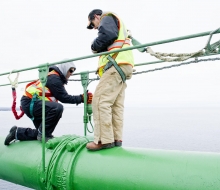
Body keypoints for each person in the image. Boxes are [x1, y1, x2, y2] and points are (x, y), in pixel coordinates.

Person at [4, 62, 92, 145]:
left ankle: (16, 132)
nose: (71, 73)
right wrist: (81, 98)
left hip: (31, 103)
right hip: (31, 102)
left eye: (73, 71)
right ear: (64, 69)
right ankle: (43, 135)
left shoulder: (53, 77)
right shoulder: (54, 78)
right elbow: (64, 97)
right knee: (57, 108)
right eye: (70, 70)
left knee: (41, 132)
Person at [86, 9, 134, 151]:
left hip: (115, 65)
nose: (95, 28)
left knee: (100, 101)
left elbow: (108, 35)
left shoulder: (106, 17)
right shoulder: (118, 23)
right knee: (115, 105)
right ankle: (115, 138)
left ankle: (103, 140)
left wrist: (94, 47)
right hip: (124, 66)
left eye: (93, 24)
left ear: (96, 17)